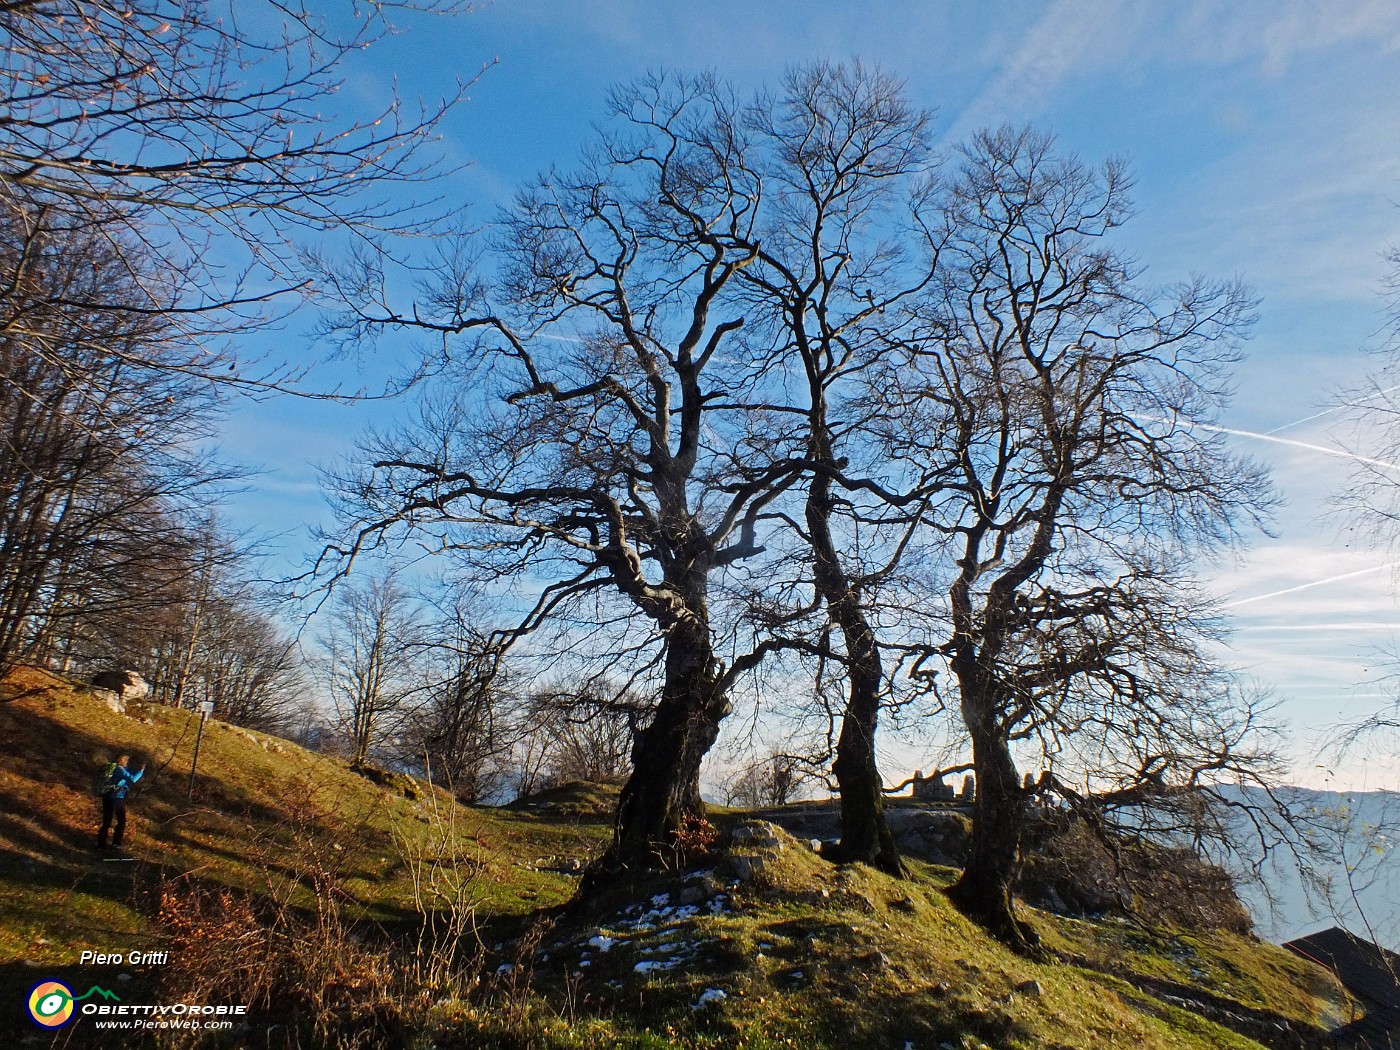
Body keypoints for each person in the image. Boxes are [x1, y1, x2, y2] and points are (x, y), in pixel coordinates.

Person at [97, 754, 145, 851]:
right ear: (123, 761)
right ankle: (116, 843)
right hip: (117, 797)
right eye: (126, 761)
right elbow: (132, 779)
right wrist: (140, 772)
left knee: (107, 821)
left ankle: (100, 844)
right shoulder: (120, 769)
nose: (127, 763)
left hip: (107, 796)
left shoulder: (113, 768)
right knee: (121, 821)